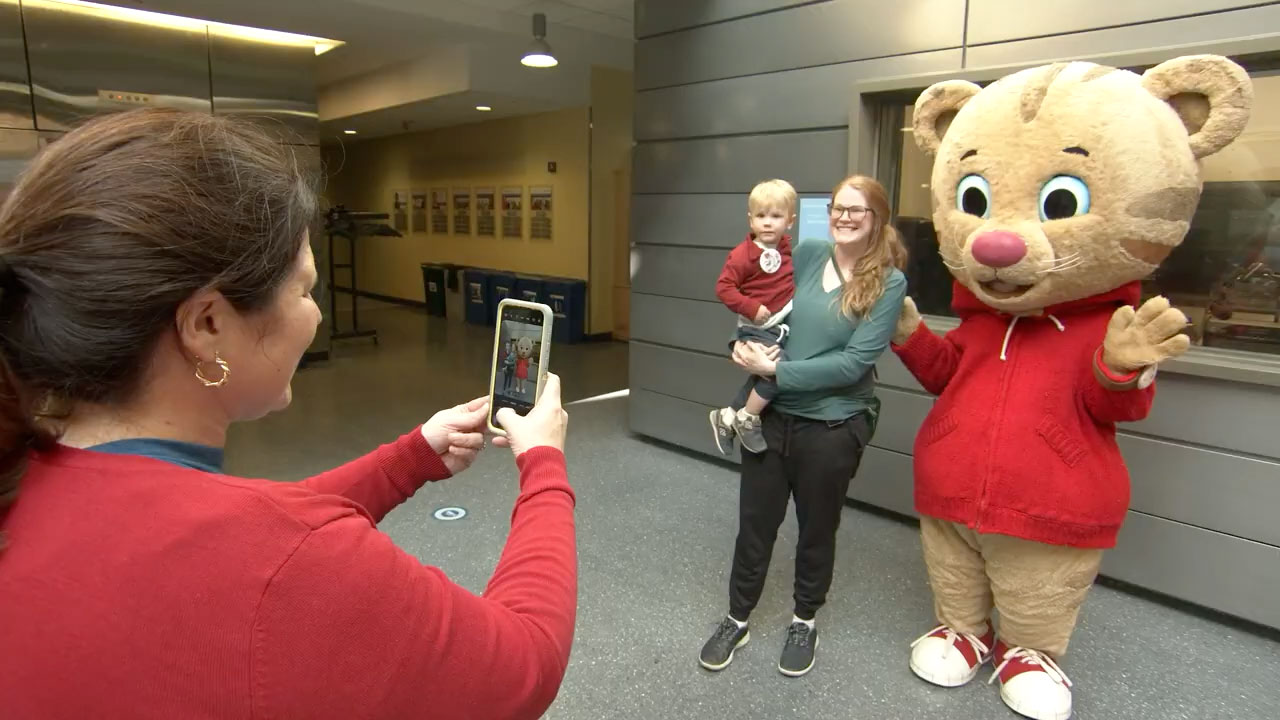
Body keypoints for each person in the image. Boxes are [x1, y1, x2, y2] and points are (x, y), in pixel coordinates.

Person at [0, 108, 576, 720]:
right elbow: (524, 663)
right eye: (304, 290)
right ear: (207, 324)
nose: (316, 315)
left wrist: (408, 460)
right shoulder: (291, 565)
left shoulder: (28, 473)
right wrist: (543, 464)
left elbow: (245, 534)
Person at [699, 175, 907, 678]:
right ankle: (737, 617)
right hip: (771, 418)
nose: (845, 216)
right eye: (839, 207)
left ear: (878, 218)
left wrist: (777, 372)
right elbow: (761, 297)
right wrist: (741, 347)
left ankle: (804, 620)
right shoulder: (811, 252)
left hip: (832, 427)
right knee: (755, 525)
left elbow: (854, 364)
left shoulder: (889, 282)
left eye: (857, 210)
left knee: (817, 529)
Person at [708, 179, 797, 455]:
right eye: (760, 216)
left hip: (780, 323)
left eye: (775, 216)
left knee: (762, 374)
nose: (767, 223)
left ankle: (727, 415)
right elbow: (723, 288)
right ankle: (747, 416)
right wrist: (751, 307)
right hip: (757, 325)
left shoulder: (787, 251)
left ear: (790, 221)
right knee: (778, 370)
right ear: (750, 219)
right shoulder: (742, 255)